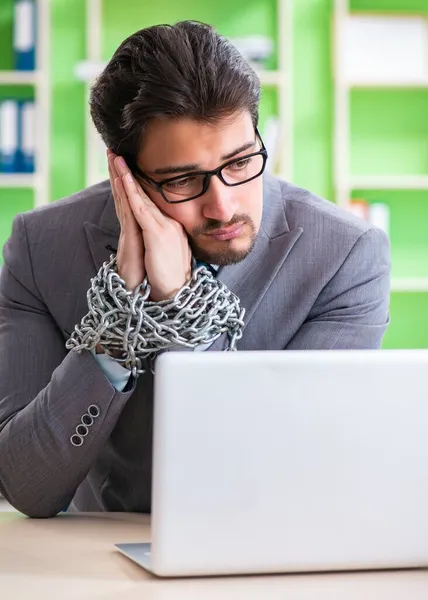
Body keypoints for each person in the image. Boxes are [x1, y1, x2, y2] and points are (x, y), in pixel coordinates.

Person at [0, 21, 390, 518]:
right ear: (126, 176)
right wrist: (119, 327)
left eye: (241, 160)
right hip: (94, 569)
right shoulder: (40, 247)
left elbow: (280, 470)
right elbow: (26, 488)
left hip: (265, 553)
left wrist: (182, 303)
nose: (224, 206)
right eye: (183, 179)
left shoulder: (347, 256)